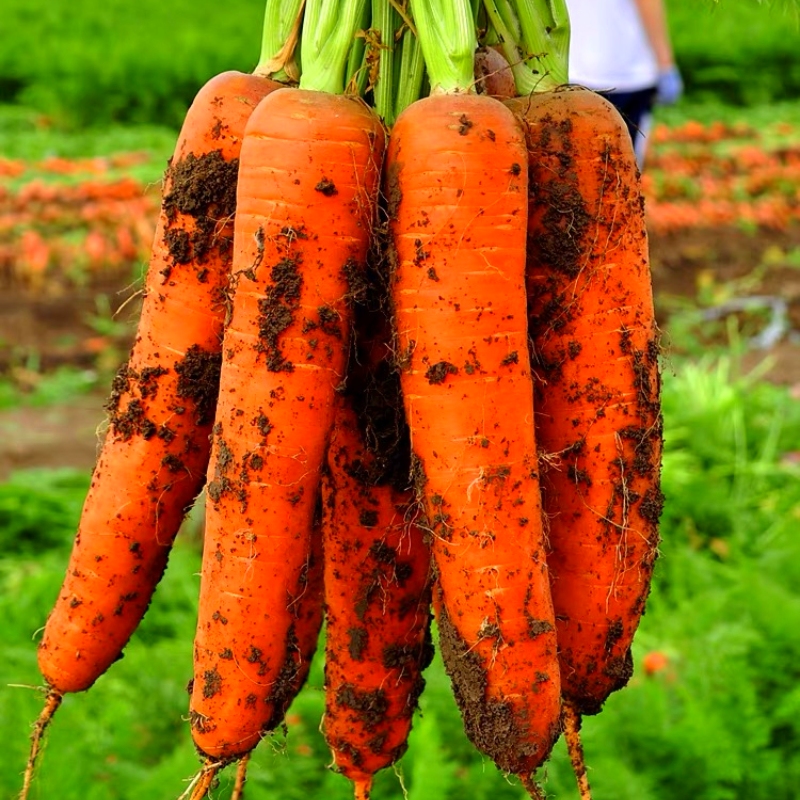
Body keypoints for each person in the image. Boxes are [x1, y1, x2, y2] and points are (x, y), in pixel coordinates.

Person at [566, 0, 683, 166]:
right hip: (628, 74)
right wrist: (665, 64)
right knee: (625, 170)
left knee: (576, 168)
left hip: (572, 70)